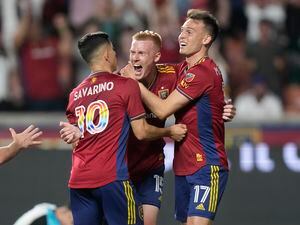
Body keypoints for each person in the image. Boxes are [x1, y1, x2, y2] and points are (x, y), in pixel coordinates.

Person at [61, 30, 236, 225]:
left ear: (157, 57)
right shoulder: (119, 83)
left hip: (150, 164)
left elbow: (204, 86)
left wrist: (222, 106)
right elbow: (128, 127)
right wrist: (78, 129)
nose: (135, 58)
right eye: (132, 52)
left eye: (141, 54)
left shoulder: (174, 74)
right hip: (122, 168)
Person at [126, 9, 229, 225]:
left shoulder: (201, 72)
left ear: (206, 39)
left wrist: (133, 83)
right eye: (182, 31)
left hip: (206, 163)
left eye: (190, 32)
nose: (181, 36)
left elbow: (163, 110)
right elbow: (154, 72)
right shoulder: (182, 69)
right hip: (184, 164)